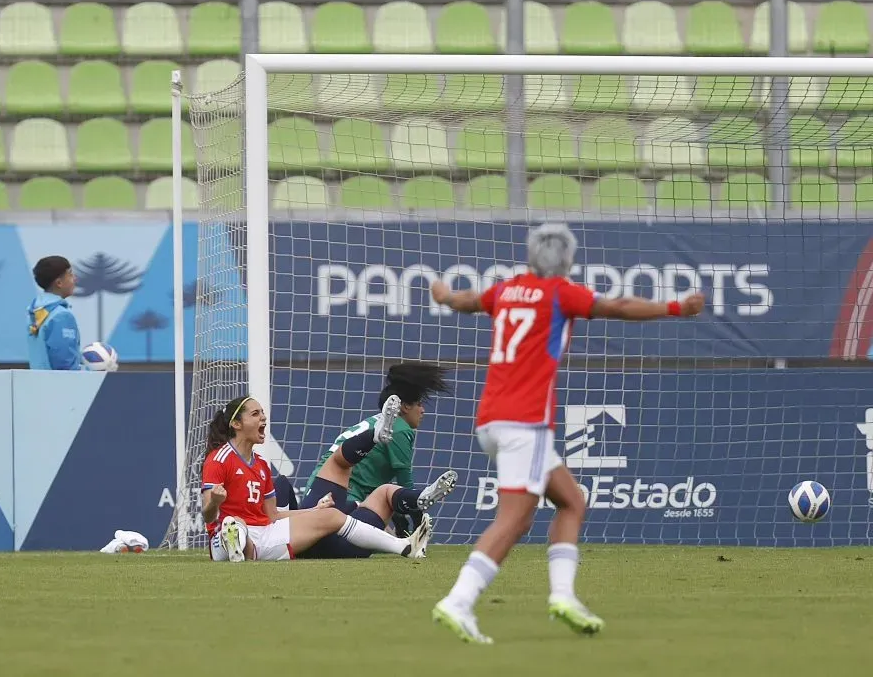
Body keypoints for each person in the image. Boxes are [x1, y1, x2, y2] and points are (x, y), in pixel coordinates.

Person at [429, 223, 706, 644]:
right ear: (568, 262)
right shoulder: (560, 292)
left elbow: (469, 301)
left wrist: (447, 296)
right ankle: (459, 600)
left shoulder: (506, 290)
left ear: (528, 257)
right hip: (525, 423)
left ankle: (563, 596)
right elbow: (619, 306)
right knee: (515, 520)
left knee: (572, 501)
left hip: (491, 419)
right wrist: (674, 308)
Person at [201, 395, 432, 562]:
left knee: (330, 515)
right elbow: (208, 515)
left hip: (265, 533)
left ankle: (404, 547)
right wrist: (215, 503)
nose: (263, 418)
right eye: (255, 414)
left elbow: (273, 515)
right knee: (234, 524)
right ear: (236, 424)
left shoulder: (260, 465)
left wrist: (314, 511)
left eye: (263, 413)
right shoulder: (218, 459)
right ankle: (238, 544)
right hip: (223, 537)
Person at [298, 362, 458, 556]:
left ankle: (405, 538)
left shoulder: (377, 422)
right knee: (378, 526)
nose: (423, 410)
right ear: (405, 406)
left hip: (317, 492)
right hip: (341, 500)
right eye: (419, 404)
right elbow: (405, 484)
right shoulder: (400, 429)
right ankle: (415, 516)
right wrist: (418, 521)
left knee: (385, 535)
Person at [27, 256, 82, 371]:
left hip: (36, 385)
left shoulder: (34, 311)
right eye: (70, 274)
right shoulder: (62, 316)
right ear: (59, 283)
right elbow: (65, 366)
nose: (75, 279)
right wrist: (95, 371)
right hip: (60, 387)